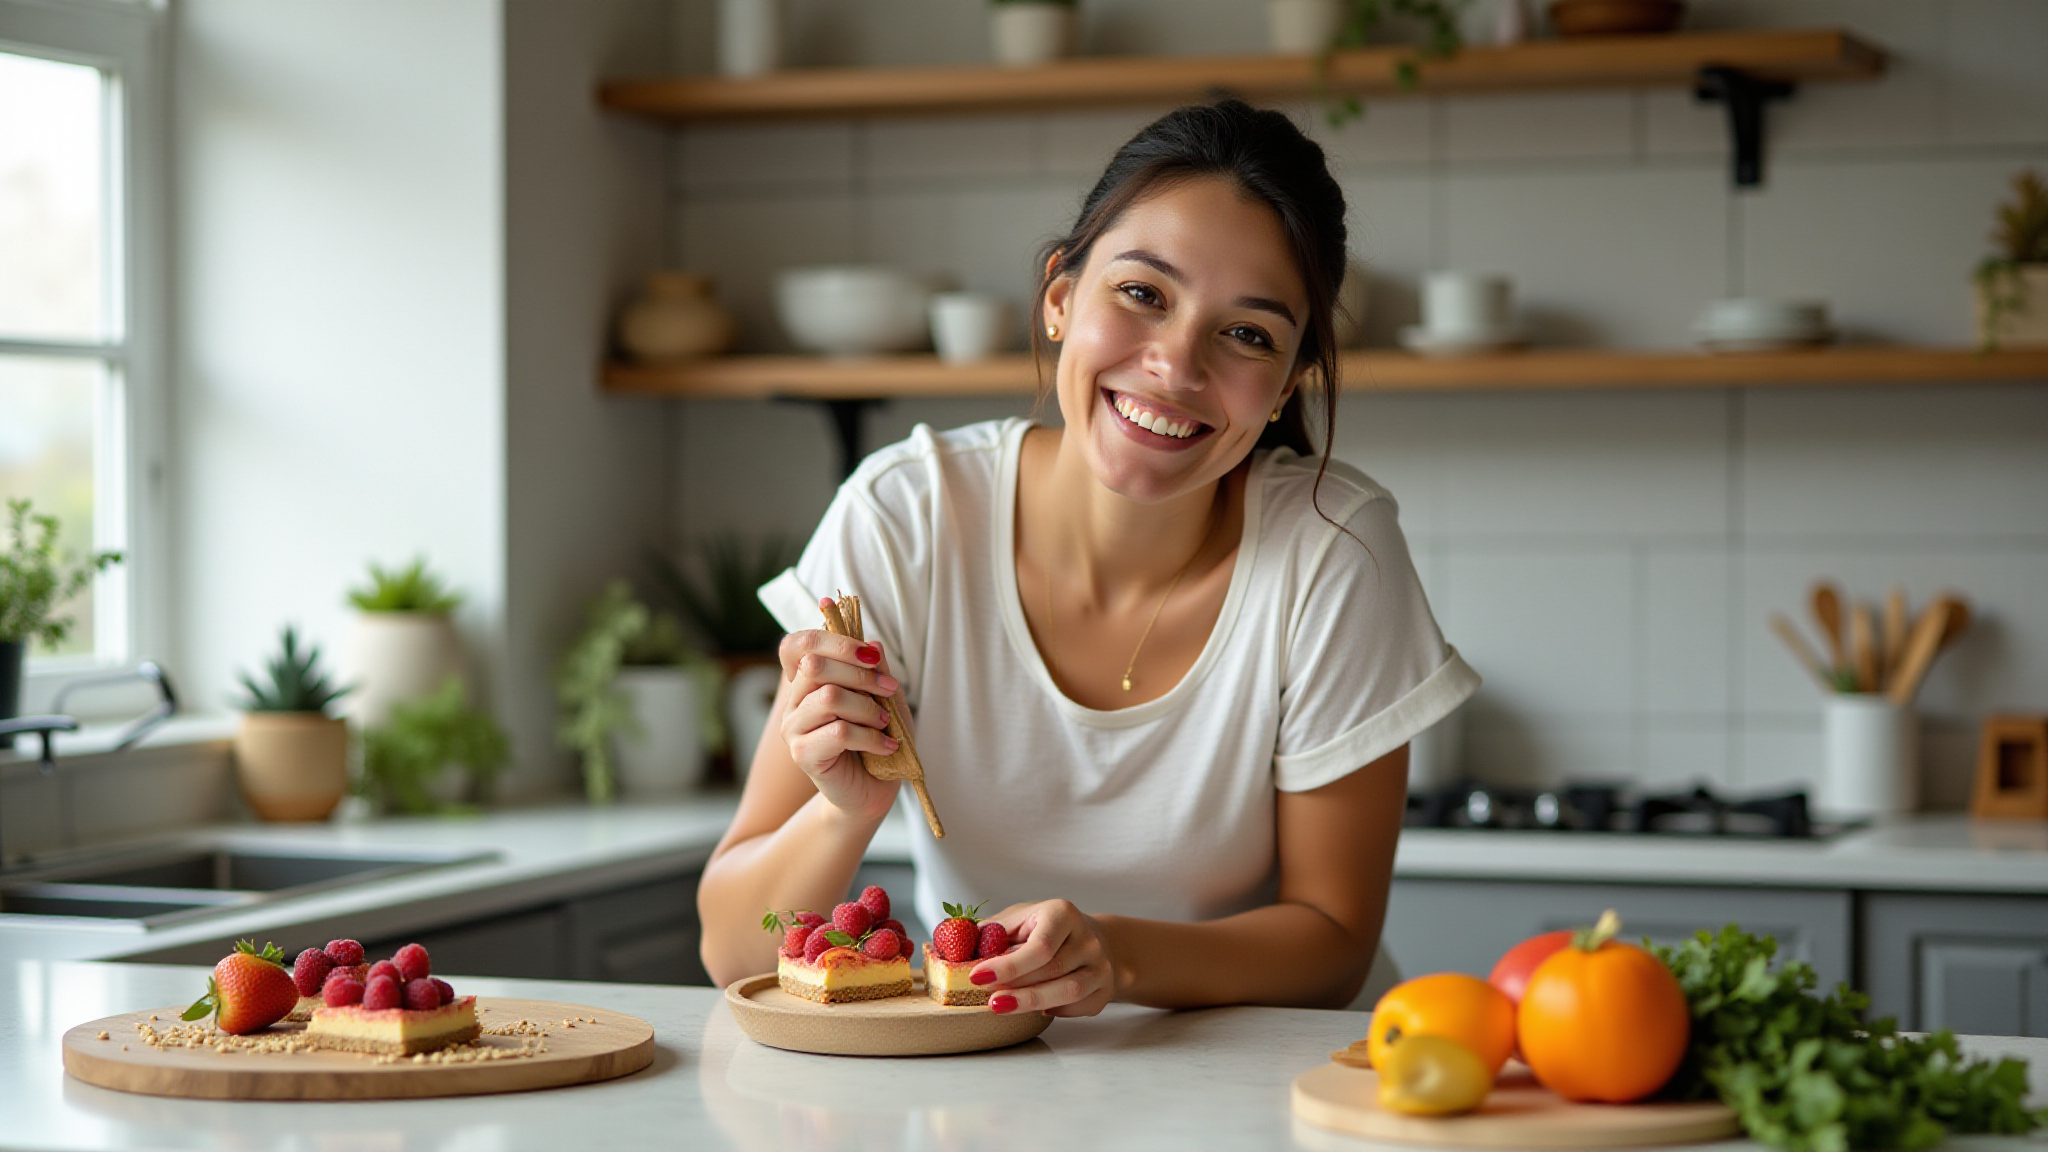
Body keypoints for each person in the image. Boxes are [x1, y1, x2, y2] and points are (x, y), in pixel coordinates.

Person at [697, 99, 1478, 1016]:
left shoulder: (1333, 548)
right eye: (1143, 294)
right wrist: (847, 812)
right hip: (988, 1083)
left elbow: (1335, 943)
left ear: (1285, 388)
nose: (1176, 366)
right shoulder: (906, 517)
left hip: (1258, 1093)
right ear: (1061, 298)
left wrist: (1119, 958)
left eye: (1248, 334)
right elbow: (729, 948)